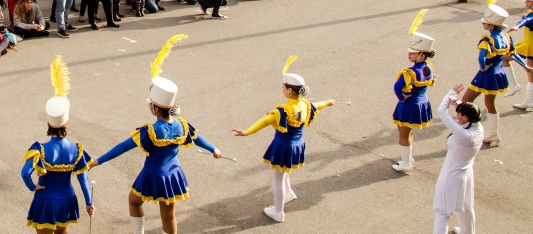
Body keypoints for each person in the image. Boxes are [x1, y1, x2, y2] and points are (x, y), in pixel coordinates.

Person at [91, 35, 221, 234]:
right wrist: (214, 149)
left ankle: (139, 233)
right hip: (173, 173)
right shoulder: (182, 125)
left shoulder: (149, 132)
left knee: (134, 201)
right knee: (168, 214)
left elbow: (123, 147)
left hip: (152, 174)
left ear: (153, 108)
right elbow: (198, 138)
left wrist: (98, 161)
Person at [232, 56, 335, 223]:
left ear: (289, 90)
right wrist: (328, 102)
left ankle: (278, 211)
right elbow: (318, 106)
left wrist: (246, 132)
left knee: (277, 178)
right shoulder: (305, 105)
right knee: (286, 171)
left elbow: (264, 122)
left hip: (283, 146)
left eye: (283, 86)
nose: (282, 88)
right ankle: (288, 193)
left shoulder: (283, 110)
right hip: (297, 144)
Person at [22, 56, 94, 233]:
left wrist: (34, 187)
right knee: (62, 231)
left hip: (45, 200)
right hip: (67, 199)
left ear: (48, 123)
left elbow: (25, 173)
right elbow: (83, 179)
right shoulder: (76, 149)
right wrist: (89, 202)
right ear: (66, 123)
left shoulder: (40, 149)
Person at [459, 0, 529, 147]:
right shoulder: (506, 38)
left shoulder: (487, 40)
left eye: (485, 23)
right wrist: (526, 67)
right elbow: (513, 54)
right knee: (490, 104)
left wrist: (483, 67)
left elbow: (482, 58)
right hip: (498, 74)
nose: (483, 25)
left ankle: (471, 131)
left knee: (466, 102)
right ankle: (493, 134)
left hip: (486, 74)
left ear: (491, 26)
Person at [432, 84, 483, 234]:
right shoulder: (478, 128)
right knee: (466, 207)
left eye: (460, 114)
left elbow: (441, 111)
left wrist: (451, 93)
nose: (457, 116)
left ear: (465, 117)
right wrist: (459, 103)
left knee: (442, 213)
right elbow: (470, 114)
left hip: (451, 176)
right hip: (466, 174)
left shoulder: (462, 134)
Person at [391, 11, 436, 175]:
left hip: (409, 105)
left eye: (413, 53)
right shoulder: (429, 67)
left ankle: (405, 163)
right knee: (408, 132)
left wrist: (403, 97)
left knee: (403, 134)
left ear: (422, 54)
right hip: (423, 102)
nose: (409, 55)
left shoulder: (409, 72)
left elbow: (397, 87)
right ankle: (408, 158)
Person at [508, 0, 533, 110]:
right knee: (531, 73)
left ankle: (513, 85)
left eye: (528, 1)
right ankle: (529, 100)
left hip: (530, 46)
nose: (525, 2)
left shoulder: (532, 15)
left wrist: (517, 26)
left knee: (505, 56)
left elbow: (527, 20)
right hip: (530, 46)